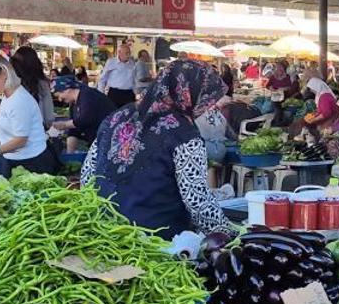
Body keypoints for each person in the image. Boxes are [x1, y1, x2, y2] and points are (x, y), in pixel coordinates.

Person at [81, 60, 230, 239]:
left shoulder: (116, 117)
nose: (206, 107)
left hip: (103, 233)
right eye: (205, 99)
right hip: (155, 241)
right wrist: (230, 235)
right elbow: (197, 201)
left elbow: (87, 176)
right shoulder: (184, 133)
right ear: (190, 93)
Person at [0, 54, 60, 176]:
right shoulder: (6, 96)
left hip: (32, 164)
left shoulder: (19, 100)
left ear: (4, 74)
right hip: (14, 160)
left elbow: (21, 140)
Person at [50, 75, 116, 151]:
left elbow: (84, 119)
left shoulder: (87, 95)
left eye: (59, 95)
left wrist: (64, 125)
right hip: (97, 140)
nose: (60, 99)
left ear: (67, 90)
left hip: (110, 138)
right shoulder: (74, 102)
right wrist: (70, 153)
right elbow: (74, 129)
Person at [10, 46, 55, 128]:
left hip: (13, 128)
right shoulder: (42, 84)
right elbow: (48, 116)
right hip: (36, 128)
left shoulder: (11, 83)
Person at [97, 44, 139, 109]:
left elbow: (133, 80)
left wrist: (137, 93)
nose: (128, 55)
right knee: (113, 112)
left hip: (129, 94)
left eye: (129, 53)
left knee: (129, 113)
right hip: (115, 94)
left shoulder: (132, 63)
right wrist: (101, 94)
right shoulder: (111, 62)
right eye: (126, 53)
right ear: (119, 52)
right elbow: (102, 79)